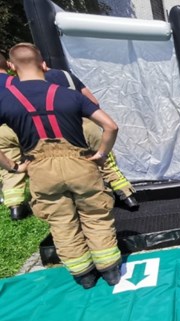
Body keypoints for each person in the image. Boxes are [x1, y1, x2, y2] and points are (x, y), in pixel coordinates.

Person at [0, 43, 122, 288]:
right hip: (80, 165)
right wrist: (100, 154)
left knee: (61, 221)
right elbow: (111, 126)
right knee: (96, 215)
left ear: (12, 67)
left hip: (40, 169)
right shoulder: (69, 94)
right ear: (43, 64)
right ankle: (110, 271)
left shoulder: (5, 100)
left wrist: (13, 167)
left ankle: (84, 276)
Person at [43, 64, 139, 209]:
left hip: (64, 129)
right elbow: (92, 101)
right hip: (87, 124)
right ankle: (127, 196)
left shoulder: (31, 84)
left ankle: (94, 202)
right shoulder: (66, 75)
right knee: (106, 161)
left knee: (79, 164)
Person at [0, 52, 31, 220]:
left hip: (1, 132)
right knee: (35, 157)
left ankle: (15, 207)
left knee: (10, 166)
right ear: (9, 65)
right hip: (21, 125)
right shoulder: (18, 82)